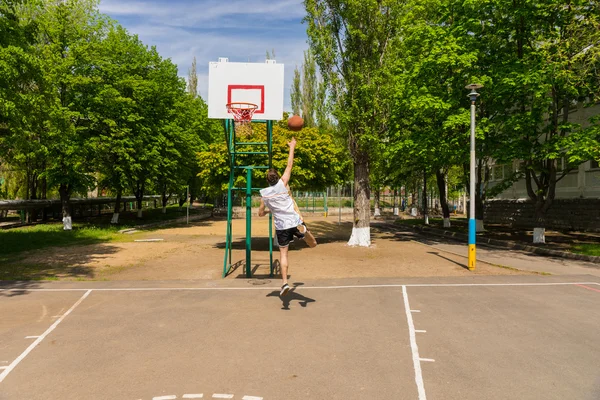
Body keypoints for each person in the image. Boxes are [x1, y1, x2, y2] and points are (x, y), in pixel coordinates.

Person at [259, 137, 312, 296]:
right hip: (294, 220)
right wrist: (292, 146)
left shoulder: (264, 195)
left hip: (281, 226)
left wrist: (270, 211)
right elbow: (290, 165)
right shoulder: (283, 183)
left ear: (267, 181)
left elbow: (260, 214)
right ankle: (306, 234)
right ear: (277, 177)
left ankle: (284, 283)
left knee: (283, 254)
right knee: (312, 242)